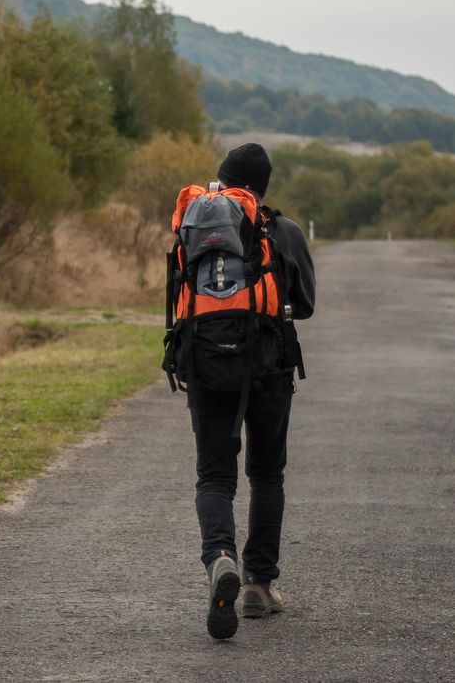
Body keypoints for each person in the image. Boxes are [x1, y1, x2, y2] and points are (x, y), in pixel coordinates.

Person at [190, 143, 316, 639]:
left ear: (222, 180)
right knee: (266, 475)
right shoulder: (283, 231)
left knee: (215, 477)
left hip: (206, 366)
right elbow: (304, 305)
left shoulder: (195, 229)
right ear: (263, 186)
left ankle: (220, 557)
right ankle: (258, 586)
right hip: (267, 369)